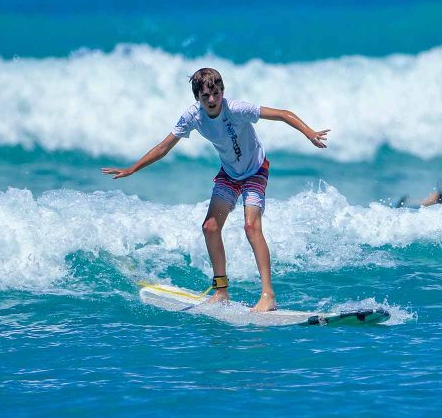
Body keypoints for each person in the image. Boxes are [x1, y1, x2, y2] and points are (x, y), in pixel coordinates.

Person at [102, 68, 329, 312]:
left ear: (222, 91)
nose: (212, 100)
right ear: (197, 98)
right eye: (205, 96)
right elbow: (164, 147)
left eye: (216, 93)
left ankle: (268, 295)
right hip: (229, 174)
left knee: (251, 227)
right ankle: (221, 291)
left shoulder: (238, 109)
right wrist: (133, 168)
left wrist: (310, 133)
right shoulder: (193, 117)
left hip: (255, 171)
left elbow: (283, 114)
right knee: (210, 227)